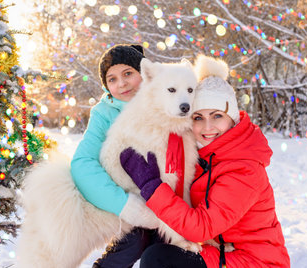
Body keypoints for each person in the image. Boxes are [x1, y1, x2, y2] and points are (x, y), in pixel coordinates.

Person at [120, 55, 290, 267]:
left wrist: (152, 187)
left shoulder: (244, 166)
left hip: (255, 262)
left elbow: (201, 227)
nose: (207, 127)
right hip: (222, 255)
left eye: (217, 115)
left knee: (158, 259)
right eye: (198, 118)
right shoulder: (204, 156)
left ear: (233, 117)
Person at [70, 44, 161, 268]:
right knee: (133, 241)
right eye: (112, 79)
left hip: (167, 199)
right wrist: (125, 205)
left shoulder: (165, 100)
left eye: (128, 73)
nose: (121, 84)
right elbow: (82, 164)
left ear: (144, 73)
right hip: (127, 197)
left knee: (162, 250)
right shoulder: (104, 113)